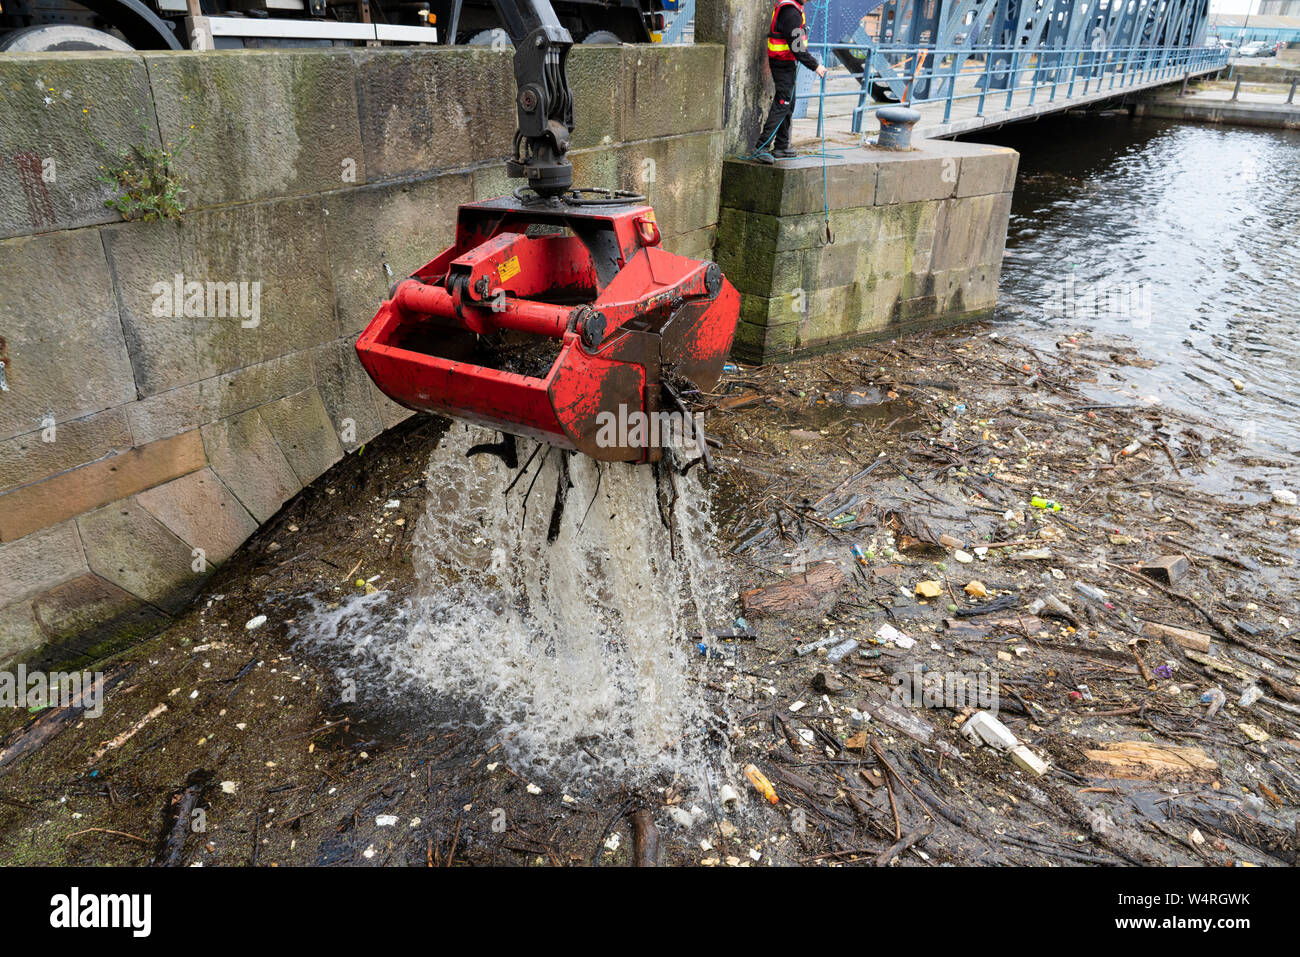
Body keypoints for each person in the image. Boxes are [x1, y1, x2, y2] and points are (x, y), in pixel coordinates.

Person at [754, 0, 827, 164]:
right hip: (782, 63)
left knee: (789, 103)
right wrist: (815, 66)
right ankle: (762, 146)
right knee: (782, 103)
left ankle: (781, 145)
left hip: (786, 62)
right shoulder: (790, 12)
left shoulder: (792, 8)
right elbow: (797, 46)